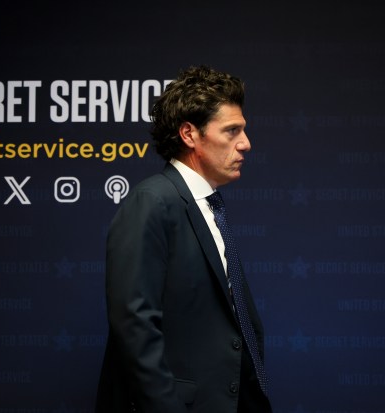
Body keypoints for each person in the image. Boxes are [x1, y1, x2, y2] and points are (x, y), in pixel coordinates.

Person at [95, 65, 272, 413]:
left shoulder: (209, 204)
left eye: (244, 130)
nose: (246, 144)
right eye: (231, 130)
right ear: (190, 134)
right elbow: (135, 325)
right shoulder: (153, 201)